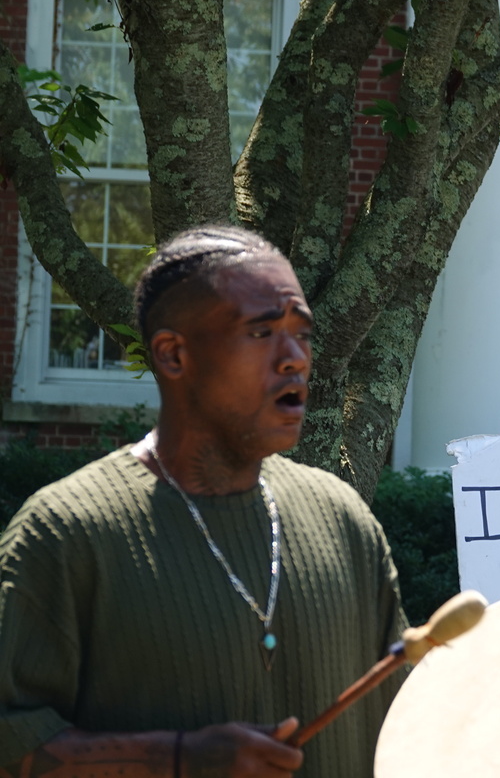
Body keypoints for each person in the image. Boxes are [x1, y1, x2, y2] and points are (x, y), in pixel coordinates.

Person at [0, 225, 406, 778]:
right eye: (262, 332)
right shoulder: (64, 534)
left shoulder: (343, 521)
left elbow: (411, 724)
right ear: (172, 354)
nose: (295, 359)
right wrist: (175, 759)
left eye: (302, 334)